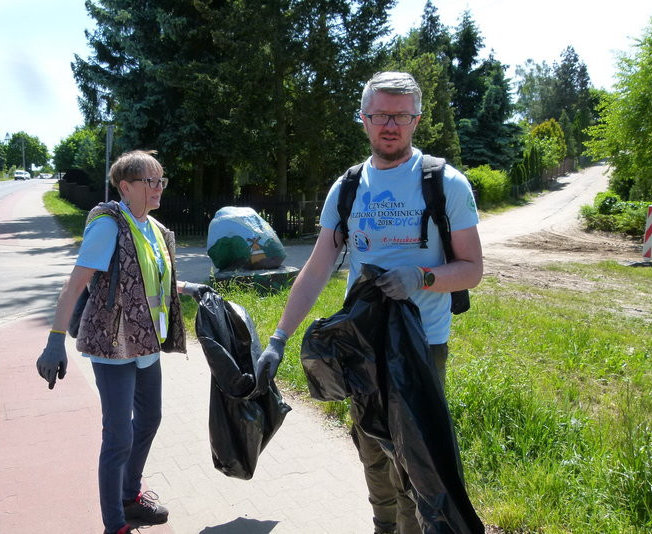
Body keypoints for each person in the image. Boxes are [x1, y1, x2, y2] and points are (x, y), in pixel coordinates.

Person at [255, 72, 483, 534]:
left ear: (417, 119)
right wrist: (278, 339)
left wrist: (420, 275)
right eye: (380, 115)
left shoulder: (445, 183)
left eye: (401, 115)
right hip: (360, 344)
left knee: (414, 459)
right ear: (363, 119)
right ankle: (383, 527)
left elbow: (472, 268)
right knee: (371, 449)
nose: (390, 125)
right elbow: (318, 267)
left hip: (422, 345)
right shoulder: (348, 188)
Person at [36, 150, 212, 534]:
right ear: (125, 187)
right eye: (149, 181)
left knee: (150, 418)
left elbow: (150, 282)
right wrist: (55, 340)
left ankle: (130, 496)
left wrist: (188, 288)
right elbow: (76, 283)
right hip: (112, 346)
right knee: (118, 435)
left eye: (160, 180)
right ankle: (114, 523)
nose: (157, 188)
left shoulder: (155, 229)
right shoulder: (109, 225)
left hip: (147, 344)